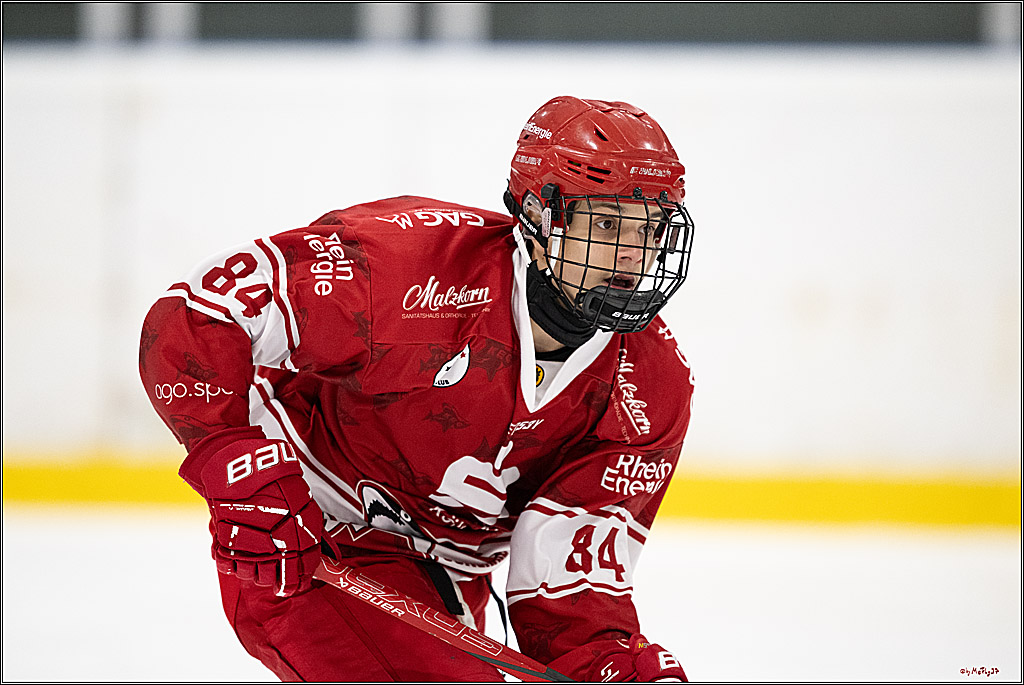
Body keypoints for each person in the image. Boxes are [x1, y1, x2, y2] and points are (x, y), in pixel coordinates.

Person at [139, 95, 696, 682]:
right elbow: (198, 314)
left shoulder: (651, 390)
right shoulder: (407, 268)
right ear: (540, 215)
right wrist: (242, 472)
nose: (632, 257)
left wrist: (613, 667)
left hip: (449, 586)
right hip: (310, 535)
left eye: (650, 229)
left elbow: (567, 596)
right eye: (607, 224)